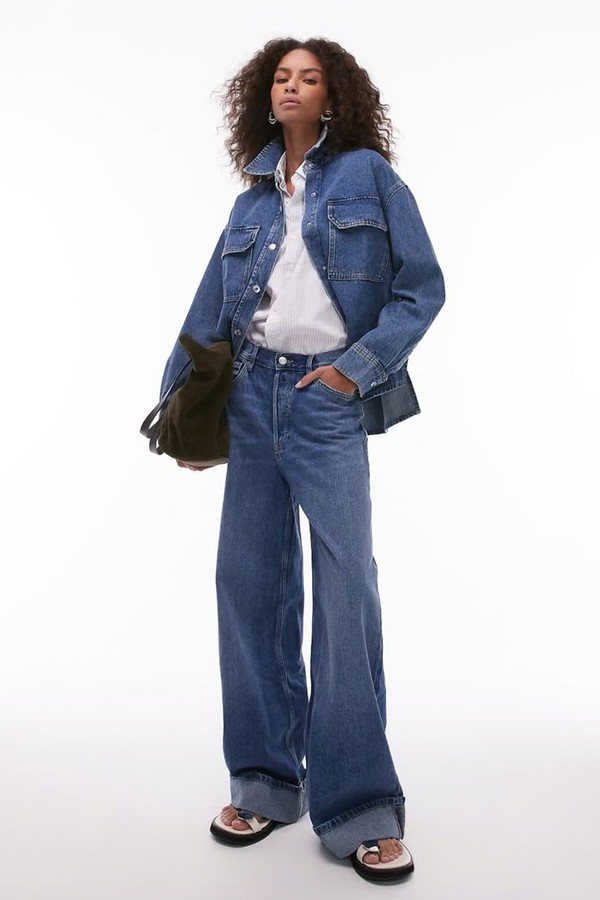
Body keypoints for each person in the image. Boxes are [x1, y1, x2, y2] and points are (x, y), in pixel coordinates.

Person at [158, 36, 445, 884]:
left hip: (327, 401)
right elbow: (209, 306)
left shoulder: (369, 178)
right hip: (250, 396)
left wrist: (354, 371)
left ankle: (360, 806)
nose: (291, 87)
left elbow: (421, 287)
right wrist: (178, 409)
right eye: (281, 77)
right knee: (248, 584)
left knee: (346, 590)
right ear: (265, 93)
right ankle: (265, 781)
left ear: (334, 95)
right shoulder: (251, 198)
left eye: (308, 77)